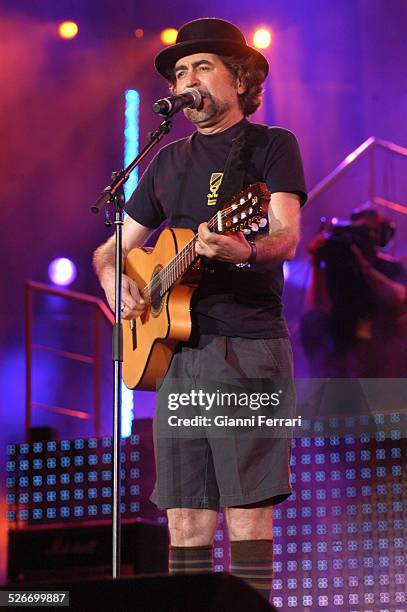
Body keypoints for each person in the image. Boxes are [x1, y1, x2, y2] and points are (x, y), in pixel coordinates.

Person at [93, 17, 307, 601]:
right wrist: (118, 285)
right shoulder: (165, 161)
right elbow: (110, 252)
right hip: (176, 357)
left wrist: (246, 248)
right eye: (179, 72)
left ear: (240, 78)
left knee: (246, 513)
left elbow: (285, 234)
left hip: (246, 345)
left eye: (201, 67)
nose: (186, 80)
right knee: (184, 516)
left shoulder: (271, 145)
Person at [302, 206, 407, 377]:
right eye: (362, 230)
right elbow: (318, 305)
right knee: (311, 320)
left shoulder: (391, 266)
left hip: (381, 341)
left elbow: (399, 296)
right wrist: (316, 261)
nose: (369, 235)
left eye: (373, 230)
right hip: (344, 341)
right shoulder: (340, 265)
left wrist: (364, 267)